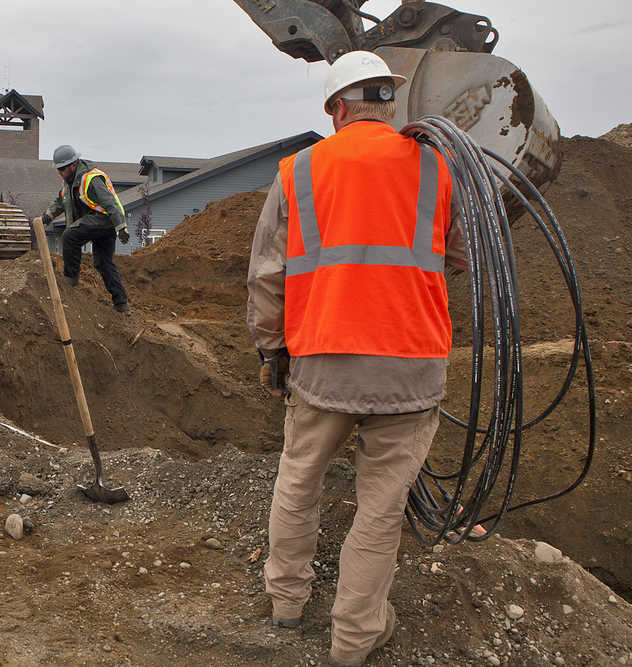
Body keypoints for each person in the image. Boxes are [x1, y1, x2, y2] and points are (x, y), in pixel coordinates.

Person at [246, 51, 466, 667]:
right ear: (388, 103)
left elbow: (267, 275)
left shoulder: (297, 172)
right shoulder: (438, 168)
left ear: (336, 108)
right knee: (380, 507)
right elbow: (465, 255)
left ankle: (286, 603)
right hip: (410, 362)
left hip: (322, 359)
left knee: (298, 480)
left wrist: (272, 349)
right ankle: (354, 638)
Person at [32, 145, 131, 315]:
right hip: (94, 224)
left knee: (70, 236)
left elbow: (111, 203)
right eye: (58, 169)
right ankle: (122, 305)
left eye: (62, 169)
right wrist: (46, 217)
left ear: (73, 164)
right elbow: (59, 203)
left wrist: (121, 227)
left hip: (104, 220)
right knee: (103, 264)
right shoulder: (68, 184)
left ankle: (70, 279)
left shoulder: (91, 179)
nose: (60, 172)